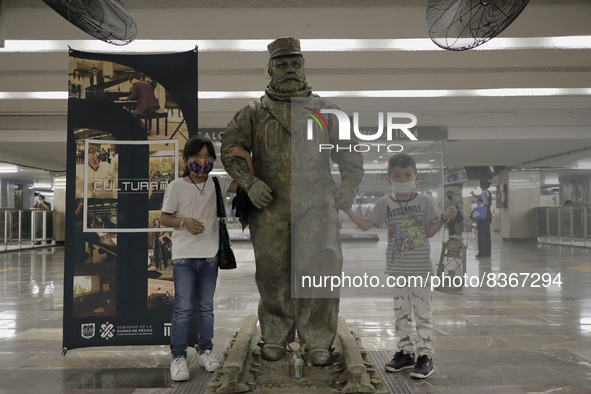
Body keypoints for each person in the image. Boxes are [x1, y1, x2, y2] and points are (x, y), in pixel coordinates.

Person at [220, 37, 364, 366]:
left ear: (304, 67)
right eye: (282, 64)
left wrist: (350, 188)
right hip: (269, 207)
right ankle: (275, 333)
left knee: (321, 271)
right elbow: (231, 151)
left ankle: (317, 337)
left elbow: (351, 155)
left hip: (318, 206)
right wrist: (249, 182)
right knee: (273, 273)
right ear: (270, 69)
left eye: (295, 63)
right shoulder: (253, 113)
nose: (289, 70)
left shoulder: (327, 111)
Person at [346, 153, 457, 379]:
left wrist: (443, 218)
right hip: (397, 269)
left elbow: (428, 232)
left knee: (422, 312)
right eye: (397, 175)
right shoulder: (384, 203)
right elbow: (367, 225)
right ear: (389, 179)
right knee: (401, 313)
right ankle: (406, 353)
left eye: (407, 175)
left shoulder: (425, 201)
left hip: (420, 269)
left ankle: (425, 356)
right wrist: (347, 209)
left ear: (416, 176)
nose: (403, 178)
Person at [159, 137, 252, 381]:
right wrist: (184, 222)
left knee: (206, 308)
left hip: (210, 257)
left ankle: (206, 351)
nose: (203, 160)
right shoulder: (177, 186)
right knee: (183, 309)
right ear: (186, 159)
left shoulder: (217, 183)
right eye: (197, 156)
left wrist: (247, 158)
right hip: (184, 259)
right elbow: (164, 218)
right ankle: (178, 357)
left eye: (208, 156)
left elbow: (250, 184)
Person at [471, 180, 493, 258]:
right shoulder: (488, 193)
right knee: (487, 234)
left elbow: (485, 203)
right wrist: (475, 196)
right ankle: (487, 252)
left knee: (481, 234)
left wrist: (475, 201)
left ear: (481, 186)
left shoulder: (484, 193)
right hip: (488, 214)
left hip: (483, 215)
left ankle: (482, 252)